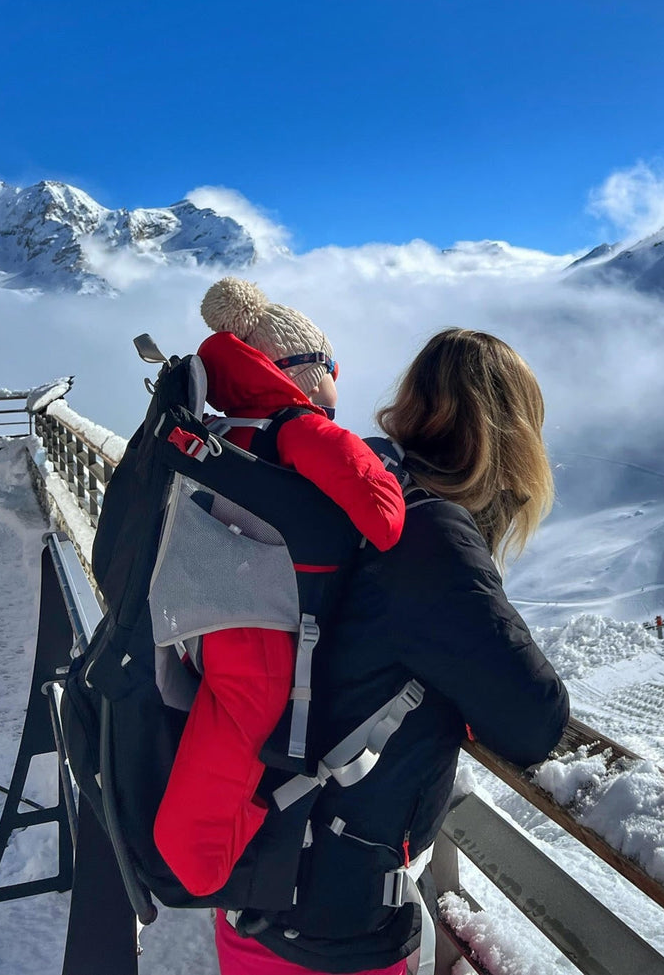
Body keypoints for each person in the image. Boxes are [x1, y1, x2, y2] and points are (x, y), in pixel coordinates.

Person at [215, 327, 570, 975]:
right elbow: (534, 719)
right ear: (510, 441)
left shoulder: (349, 487)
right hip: (331, 921)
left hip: (253, 868)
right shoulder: (429, 533)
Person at [153, 278, 408, 901]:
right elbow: (385, 519)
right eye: (333, 368)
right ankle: (252, 855)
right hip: (260, 655)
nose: (338, 384)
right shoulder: (300, 431)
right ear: (304, 370)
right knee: (194, 853)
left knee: (204, 776)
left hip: (205, 630)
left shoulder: (224, 430)